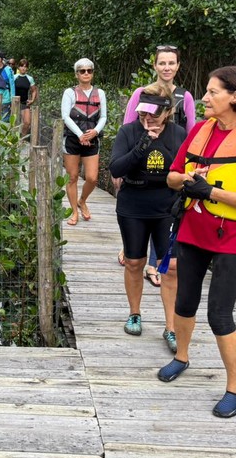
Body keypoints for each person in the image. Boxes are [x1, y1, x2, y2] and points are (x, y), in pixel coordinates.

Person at [157, 65, 236, 418]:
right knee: (185, 301)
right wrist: (189, 179)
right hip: (193, 231)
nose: (204, 98)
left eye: (213, 93)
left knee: (220, 315)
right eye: (206, 92)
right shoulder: (201, 130)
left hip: (232, 237)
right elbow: (172, 177)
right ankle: (181, 357)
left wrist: (213, 192)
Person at [109, 82, 186, 350]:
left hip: (167, 205)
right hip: (133, 203)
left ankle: (171, 327)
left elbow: (187, 168)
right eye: (143, 112)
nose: (147, 117)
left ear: (167, 111)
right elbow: (117, 167)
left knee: (171, 266)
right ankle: (135, 313)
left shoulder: (179, 135)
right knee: (134, 262)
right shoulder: (129, 132)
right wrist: (143, 143)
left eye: (153, 113)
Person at [119, 44, 198, 279]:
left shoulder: (185, 97)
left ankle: (154, 265)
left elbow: (192, 132)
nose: (166, 67)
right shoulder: (141, 93)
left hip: (171, 164)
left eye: (171, 63)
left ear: (178, 66)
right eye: (162, 63)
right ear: (154, 65)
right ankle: (142, 258)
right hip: (141, 164)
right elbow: (128, 127)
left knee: (166, 213)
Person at [62, 57, 107, 225]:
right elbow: (66, 116)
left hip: (92, 139)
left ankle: (83, 200)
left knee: (92, 177)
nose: (86, 73)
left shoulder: (100, 93)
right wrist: (80, 134)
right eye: (82, 71)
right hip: (73, 139)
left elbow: (103, 116)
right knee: (72, 176)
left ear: (92, 73)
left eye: (89, 70)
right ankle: (74, 211)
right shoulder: (69, 92)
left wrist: (94, 132)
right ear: (77, 74)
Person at [13, 58, 37, 138]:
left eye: (25, 66)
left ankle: (22, 139)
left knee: (27, 122)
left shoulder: (30, 78)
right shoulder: (14, 77)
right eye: (22, 66)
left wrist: (32, 100)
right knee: (14, 123)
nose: (23, 68)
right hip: (14, 103)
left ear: (27, 68)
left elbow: (34, 90)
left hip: (24, 103)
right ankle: (13, 140)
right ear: (18, 67)